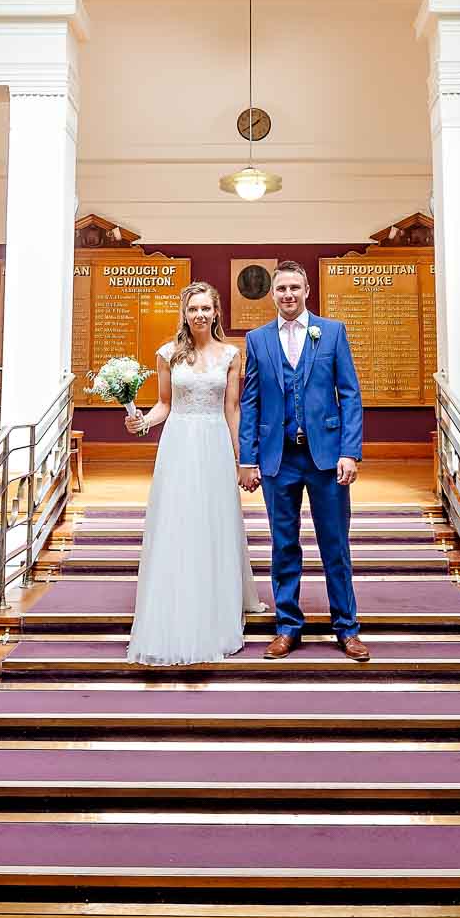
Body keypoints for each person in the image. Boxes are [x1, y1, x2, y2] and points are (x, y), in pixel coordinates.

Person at [122, 283, 266, 665]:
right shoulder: (168, 354)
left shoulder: (231, 355)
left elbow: (232, 410)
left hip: (215, 443)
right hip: (179, 443)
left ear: (216, 312)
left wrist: (243, 459)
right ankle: (175, 599)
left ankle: (217, 602)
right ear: (184, 314)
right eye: (193, 309)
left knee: (213, 522)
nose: (199, 315)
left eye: (206, 308)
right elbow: (165, 404)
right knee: (178, 522)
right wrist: (143, 422)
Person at [237, 261, 368, 662]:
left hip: (327, 458)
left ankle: (347, 629)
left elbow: (350, 394)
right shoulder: (258, 340)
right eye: (281, 289)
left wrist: (350, 451)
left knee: (335, 545)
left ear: (307, 289)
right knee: (283, 545)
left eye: (295, 287)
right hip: (280, 460)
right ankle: (287, 627)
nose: (288, 295)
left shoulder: (332, 332)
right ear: (272, 294)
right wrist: (247, 458)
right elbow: (251, 401)